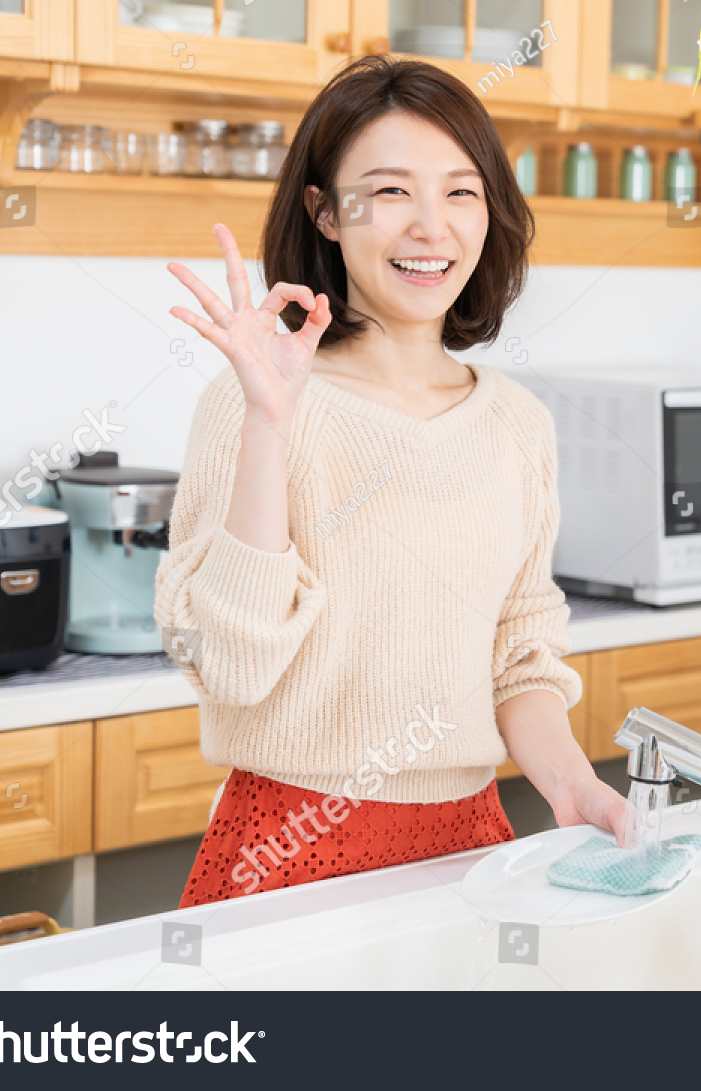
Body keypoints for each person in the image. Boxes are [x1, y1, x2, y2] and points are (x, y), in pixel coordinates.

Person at [156, 56, 631, 908]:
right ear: (326, 213)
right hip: (290, 852)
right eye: (389, 193)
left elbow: (520, 656)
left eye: (460, 191)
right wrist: (270, 421)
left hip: (472, 843)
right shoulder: (254, 402)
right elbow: (226, 664)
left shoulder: (518, 423)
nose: (430, 228)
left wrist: (571, 784)